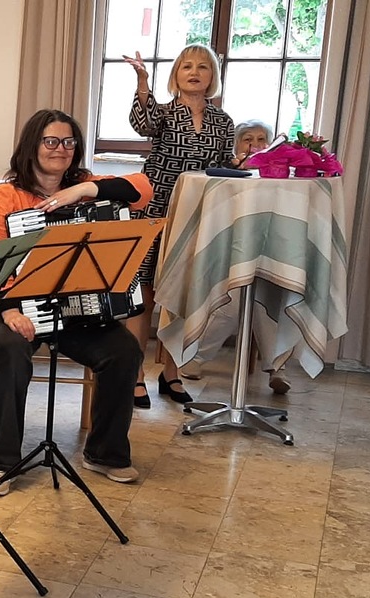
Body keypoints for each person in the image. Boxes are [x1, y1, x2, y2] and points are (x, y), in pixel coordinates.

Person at [0, 109, 153, 495]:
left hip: (74, 308)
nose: (61, 149)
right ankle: (3, 462)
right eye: (51, 141)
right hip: (9, 304)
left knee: (124, 350)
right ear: (32, 145)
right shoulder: (4, 196)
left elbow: (144, 189)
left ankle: (104, 453)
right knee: (10, 348)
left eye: (69, 142)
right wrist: (9, 309)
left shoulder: (86, 182)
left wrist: (82, 192)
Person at [124, 43, 237, 407]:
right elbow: (142, 124)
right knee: (144, 294)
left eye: (203, 67)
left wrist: (246, 164)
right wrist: (142, 81)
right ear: (175, 75)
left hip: (196, 213)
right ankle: (135, 374)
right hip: (154, 208)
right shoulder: (164, 113)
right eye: (186, 66)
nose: (194, 72)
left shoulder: (223, 121)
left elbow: (225, 167)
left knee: (182, 295)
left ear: (212, 76)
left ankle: (171, 373)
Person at [179, 120, 295, 394]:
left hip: (268, 255)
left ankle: (277, 368)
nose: (255, 145)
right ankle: (197, 358)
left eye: (261, 139)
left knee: (265, 301)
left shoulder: (280, 177)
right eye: (247, 139)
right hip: (229, 254)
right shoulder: (227, 177)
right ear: (236, 146)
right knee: (232, 301)